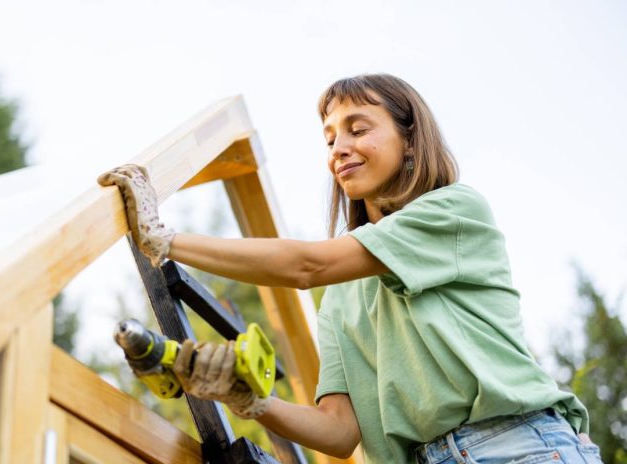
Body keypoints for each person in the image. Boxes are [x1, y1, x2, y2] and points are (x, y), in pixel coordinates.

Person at [98, 74, 603, 463]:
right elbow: (339, 432)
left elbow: (307, 264)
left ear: (410, 141)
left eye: (358, 129)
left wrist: (164, 240)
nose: (339, 147)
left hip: (515, 445)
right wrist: (249, 400)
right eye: (329, 138)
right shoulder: (342, 296)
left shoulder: (454, 212)